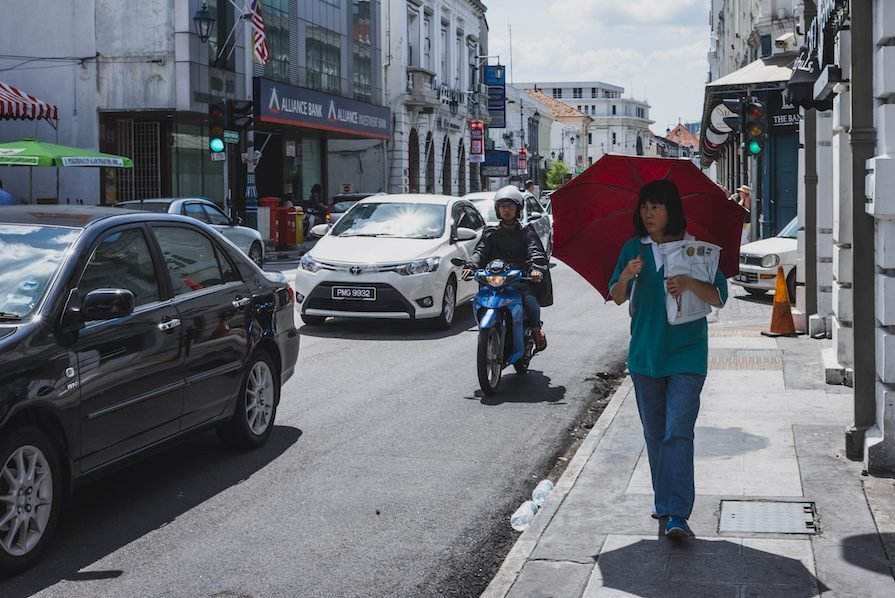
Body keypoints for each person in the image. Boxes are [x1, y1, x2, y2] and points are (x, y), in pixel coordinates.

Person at [608, 179, 728, 540]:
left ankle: (675, 512)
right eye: (644, 206)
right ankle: (665, 504)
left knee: (677, 432)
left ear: (670, 210)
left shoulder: (694, 250)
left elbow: (719, 297)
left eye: (656, 206)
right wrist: (627, 276)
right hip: (645, 355)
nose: (648, 213)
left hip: (687, 354)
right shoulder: (634, 248)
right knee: (655, 434)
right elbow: (615, 297)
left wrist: (689, 282)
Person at [464, 185, 552, 350]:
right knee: (480, 298)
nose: (506, 210)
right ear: (497, 209)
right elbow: (480, 251)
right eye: (502, 206)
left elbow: (535, 251)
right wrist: (471, 265)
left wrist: (536, 269)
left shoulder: (526, 231)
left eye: (510, 206)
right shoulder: (491, 232)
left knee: (530, 300)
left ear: (518, 208)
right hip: (496, 279)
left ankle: (535, 329)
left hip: (520, 279)